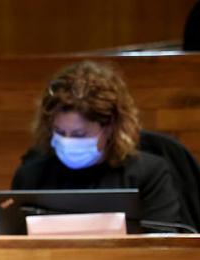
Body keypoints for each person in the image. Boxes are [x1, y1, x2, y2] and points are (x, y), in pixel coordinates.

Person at [10, 60, 187, 230]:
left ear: (110, 127)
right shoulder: (31, 176)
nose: (67, 141)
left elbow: (162, 246)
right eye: (60, 132)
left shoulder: (148, 174)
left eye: (80, 134)